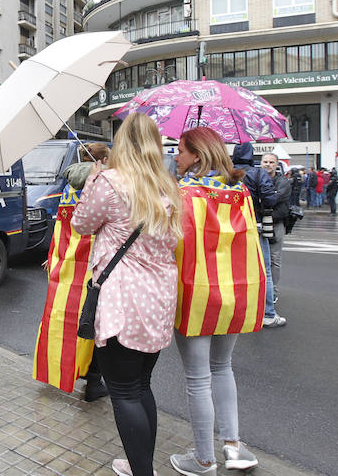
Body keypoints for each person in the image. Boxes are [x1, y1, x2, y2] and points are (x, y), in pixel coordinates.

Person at [70, 114, 181, 476]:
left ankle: (142, 471)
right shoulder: (167, 185)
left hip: (123, 298)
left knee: (123, 391)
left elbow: (81, 224)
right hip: (159, 298)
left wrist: (92, 179)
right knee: (140, 386)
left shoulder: (110, 182)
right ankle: (140, 466)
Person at [170, 128, 262, 476]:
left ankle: (204, 459)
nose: (176, 157)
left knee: (197, 378)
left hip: (196, 294)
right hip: (236, 290)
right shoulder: (240, 191)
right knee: (223, 368)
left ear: (196, 155)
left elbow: (172, 241)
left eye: (180, 151)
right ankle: (234, 447)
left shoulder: (184, 192)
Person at [33, 143, 111, 401]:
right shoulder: (102, 187)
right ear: (103, 159)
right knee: (94, 325)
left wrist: (52, 257)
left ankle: (64, 368)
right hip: (93, 267)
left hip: (66, 265)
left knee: (63, 322)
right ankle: (93, 381)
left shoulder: (68, 188)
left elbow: (59, 228)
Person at [231, 143, 281, 327]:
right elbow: (270, 199)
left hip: (231, 227)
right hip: (255, 224)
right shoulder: (258, 173)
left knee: (234, 270)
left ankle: (237, 312)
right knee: (265, 269)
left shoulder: (227, 173)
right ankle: (268, 313)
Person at [261, 154, 290, 315]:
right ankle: (264, 291)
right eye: (265, 162)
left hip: (276, 223)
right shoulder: (257, 178)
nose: (268, 165)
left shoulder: (283, 182)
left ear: (277, 165)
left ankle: (273, 291)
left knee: (274, 259)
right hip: (261, 222)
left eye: (271, 162)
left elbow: (274, 199)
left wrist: (263, 201)